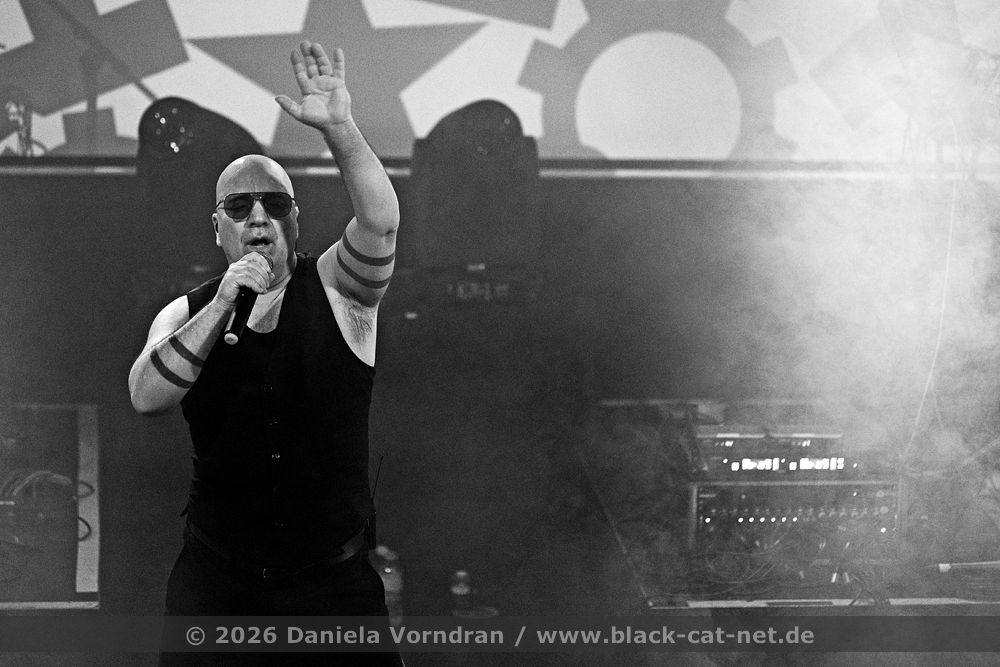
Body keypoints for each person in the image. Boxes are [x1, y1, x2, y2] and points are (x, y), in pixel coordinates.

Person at [128, 41, 402, 665]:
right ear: (218, 227)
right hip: (217, 589)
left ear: (294, 220)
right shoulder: (185, 313)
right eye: (240, 206)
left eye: (275, 205)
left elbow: (381, 223)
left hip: (332, 592)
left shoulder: (340, 291)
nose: (259, 218)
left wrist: (339, 128)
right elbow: (145, 396)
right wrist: (224, 301)